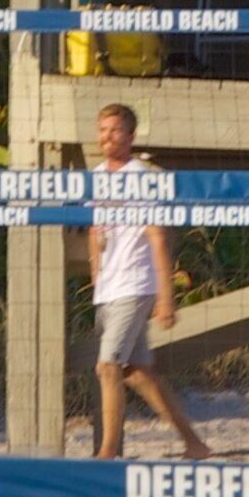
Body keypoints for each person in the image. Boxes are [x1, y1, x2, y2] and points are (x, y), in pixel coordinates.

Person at [85, 104, 210, 461]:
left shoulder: (141, 178)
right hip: (109, 288)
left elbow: (157, 237)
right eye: (102, 129)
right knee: (137, 373)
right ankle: (194, 443)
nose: (107, 136)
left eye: (115, 130)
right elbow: (96, 231)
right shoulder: (96, 176)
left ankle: (107, 452)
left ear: (131, 136)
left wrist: (166, 297)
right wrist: (96, 278)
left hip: (136, 284)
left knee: (107, 366)